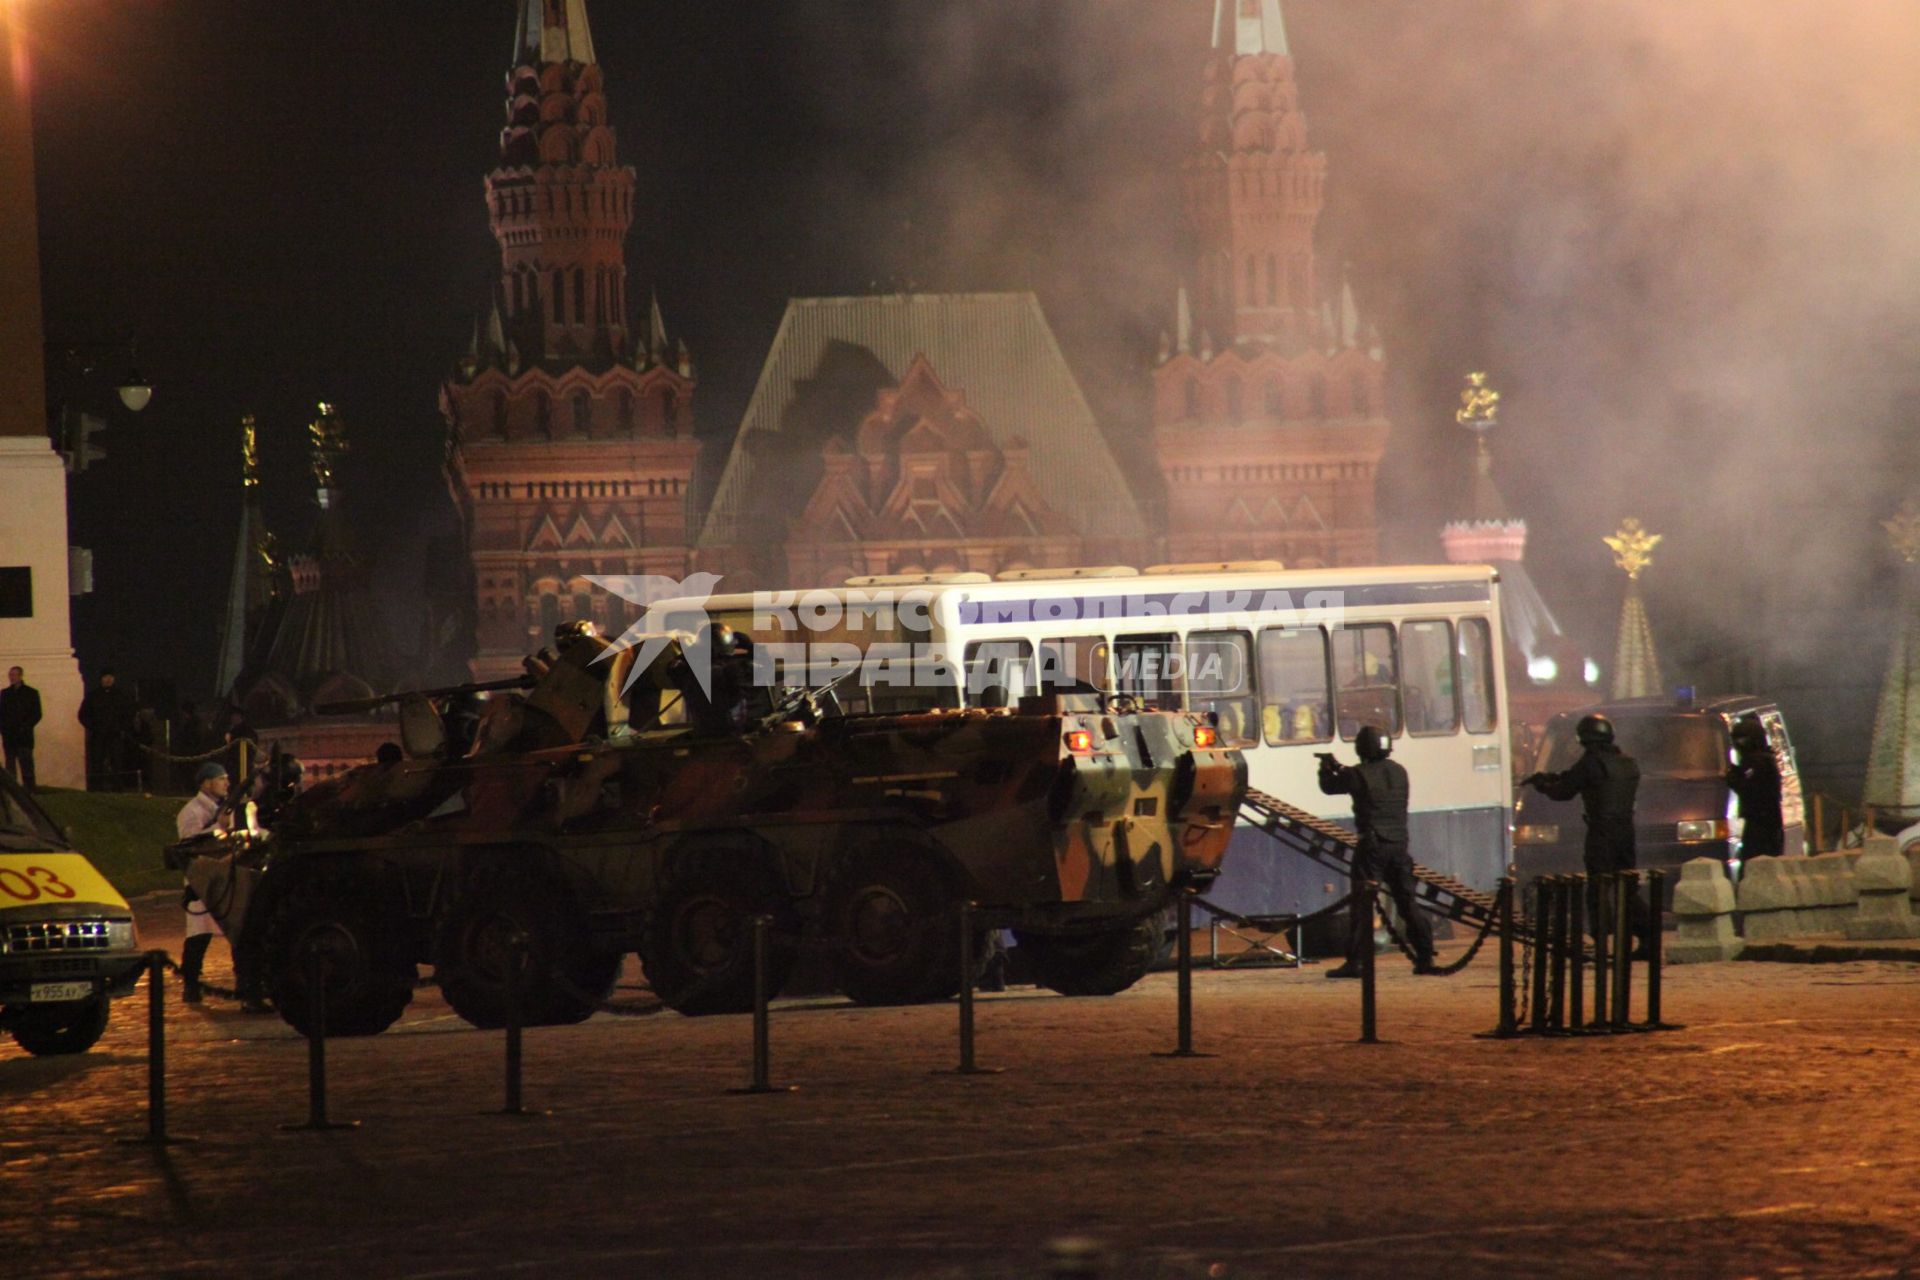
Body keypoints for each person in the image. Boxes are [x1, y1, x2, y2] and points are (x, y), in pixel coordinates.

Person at [1522, 712, 1650, 949]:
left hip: (1601, 831)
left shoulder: (1591, 762)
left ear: (1584, 739)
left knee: (1598, 887)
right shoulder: (1627, 763)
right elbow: (1583, 778)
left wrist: (1542, 785)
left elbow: (1564, 792)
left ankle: (1602, 940)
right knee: (1628, 887)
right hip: (1625, 830)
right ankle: (1646, 937)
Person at [1317, 725, 1435, 977]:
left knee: (1362, 905)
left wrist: (1325, 768)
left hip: (1372, 847)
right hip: (1399, 846)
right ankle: (1425, 957)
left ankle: (1356, 962)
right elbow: (1368, 779)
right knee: (1407, 903)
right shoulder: (1399, 772)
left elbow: (1330, 787)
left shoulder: (1358, 774)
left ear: (1361, 749)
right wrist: (1342, 768)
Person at [174, 762, 233, 1004]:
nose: (226, 783)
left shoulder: (220, 808)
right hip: (200, 880)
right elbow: (191, 843)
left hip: (221, 877)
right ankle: (191, 985)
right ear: (207, 783)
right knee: (199, 934)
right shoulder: (192, 811)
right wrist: (219, 826)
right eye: (221, 779)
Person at [1727, 714, 1784, 860]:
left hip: (1762, 825)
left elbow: (1750, 789)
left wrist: (1731, 777)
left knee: (1754, 864)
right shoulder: (1761, 760)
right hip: (1763, 823)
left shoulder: (1759, 762)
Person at [78, 668, 136, 790]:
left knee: (117, 762)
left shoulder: (121, 696)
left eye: (111, 676)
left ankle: (118, 788)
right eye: (106, 677)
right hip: (98, 734)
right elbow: (83, 715)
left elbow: (129, 714)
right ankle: (96, 788)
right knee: (97, 761)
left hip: (115, 734)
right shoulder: (93, 696)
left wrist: (121, 727)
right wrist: (93, 727)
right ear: (101, 679)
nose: (108, 679)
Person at [0, 666, 42, 792]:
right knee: (10, 765)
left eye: (14, 675)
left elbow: (37, 713)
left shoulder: (31, 693)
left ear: (20, 676)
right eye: (10, 675)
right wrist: (4, 729)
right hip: (9, 735)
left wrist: (26, 726)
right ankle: (12, 791)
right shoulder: (5, 693)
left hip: (24, 735)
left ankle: (30, 790)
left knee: (26, 764)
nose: (11, 677)